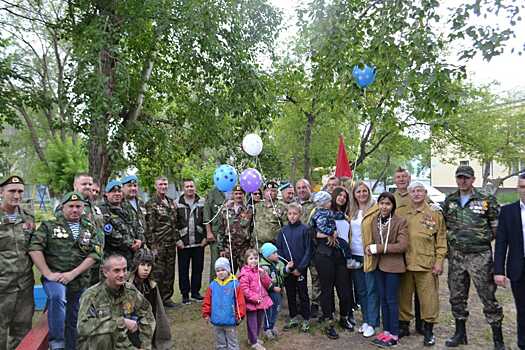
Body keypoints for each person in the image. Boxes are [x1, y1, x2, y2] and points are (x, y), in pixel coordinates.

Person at [29, 192, 103, 350]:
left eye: (78, 206)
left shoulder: (89, 228)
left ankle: (71, 346)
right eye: (71, 206)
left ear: (83, 208)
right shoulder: (49, 226)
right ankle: (57, 343)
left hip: (79, 280)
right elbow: (34, 248)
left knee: (74, 318)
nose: (75, 210)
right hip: (55, 278)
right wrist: (47, 273)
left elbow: (95, 253)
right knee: (57, 297)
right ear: (62, 207)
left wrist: (73, 274)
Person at [442, 165, 504, 350]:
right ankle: (460, 334)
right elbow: (444, 225)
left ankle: (497, 339)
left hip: (480, 257)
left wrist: (481, 241)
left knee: (488, 296)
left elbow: (496, 228)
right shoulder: (450, 200)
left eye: (466, 178)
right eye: (459, 178)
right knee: (457, 296)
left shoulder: (486, 200)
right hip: (456, 256)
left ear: (473, 180)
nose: (462, 181)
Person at [397, 181, 447, 346]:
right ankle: (404, 326)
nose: (416, 194)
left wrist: (439, 261)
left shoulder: (434, 213)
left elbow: (441, 240)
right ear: (409, 194)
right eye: (413, 191)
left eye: (420, 191)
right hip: (405, 263)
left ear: (425, 193)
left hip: (426, 264)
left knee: (428, 299)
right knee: (404, 297)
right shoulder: (403, 213)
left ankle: (428, 330)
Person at [77, 254, 155, 349]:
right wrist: (120, 322)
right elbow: (83, 327)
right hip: (100, 345)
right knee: (103, 336)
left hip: (125, 343)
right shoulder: (91, 295)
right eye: (117, 270)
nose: (122, 275)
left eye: (124, 269)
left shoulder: (130, 291)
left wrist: (145, 345)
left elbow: (147, 316)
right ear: (106, 272)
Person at [364, 191, 408, 348]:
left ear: (393, 205)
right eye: (382, 203)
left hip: (393, 267)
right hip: (378, 266)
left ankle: (395, 334)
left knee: (391, 300)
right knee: (382, 299)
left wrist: (379, 248)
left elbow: (402, 246)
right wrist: (369, 248)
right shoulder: (374, 221)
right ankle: (386, 331)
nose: (384, 206)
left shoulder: (399, 221)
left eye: (388, 203)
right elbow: (372, 241)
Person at [310, 190, 353, 339]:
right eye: (338, 196)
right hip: (324, 255)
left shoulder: (334, 213)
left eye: (344, 197)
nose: (341, 198)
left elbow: (340, 218)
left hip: (340, 255)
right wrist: (327, 233)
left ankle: (344, 317)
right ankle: (328, 322)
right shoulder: (318, 213)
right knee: (327, 290)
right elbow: (310, 230)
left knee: (344, 289)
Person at [0, 175, 35, 350]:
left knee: (22, 332)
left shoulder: (28, 217)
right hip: (2, 286)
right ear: (1, 192)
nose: (16, 195)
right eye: (12, 191)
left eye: (20, 191)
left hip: (24, 286)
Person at [494, 173, 525, 350]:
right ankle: (522, 343)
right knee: (522, 309)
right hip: (518, 267)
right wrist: (499, 271)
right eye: (522, 187)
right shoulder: (508, 211)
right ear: (517, 189)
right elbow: (500, 243)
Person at [348, 181, 379, 338]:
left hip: (369, 254)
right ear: (354, 194)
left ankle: (373, 322)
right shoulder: (352, 211)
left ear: (369, 192)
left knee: (371, 289)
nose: (361, 194)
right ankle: (366, 320)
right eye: (358, 191)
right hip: (354, 255)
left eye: (364, 191)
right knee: (360, 291)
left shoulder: (376, 209)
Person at [276, 202, 311, 333]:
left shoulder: (305, 229)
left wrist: (300, 268)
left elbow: (308, 250)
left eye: (295, 214)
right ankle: (293, 316)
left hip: (300, 269)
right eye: (290, 214)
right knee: (290, 293)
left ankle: (306, 318)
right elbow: (279, 249)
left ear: (300, 215)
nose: (292, 216)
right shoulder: (283, 231)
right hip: (288, 269)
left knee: (303, 293)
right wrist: (287, 266)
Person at [146, 176, 180, 308]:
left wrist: (177, 239)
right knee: (157, 273)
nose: (163, 187)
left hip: (171, 243)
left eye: (165, 184)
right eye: (160, 184)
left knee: (169, 272)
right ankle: (157, 300)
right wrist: (152, 246)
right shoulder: (151, 203)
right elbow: (149, 227)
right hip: (158, 244)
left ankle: (167, 298)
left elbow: (174, 223)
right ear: (156, 186)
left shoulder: (171, 202)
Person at [129, 248, 172, 350]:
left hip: (148, 325)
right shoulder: (128, 285)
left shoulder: (151, 286)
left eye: (149, 265)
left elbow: (159, 313)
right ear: (136, 265)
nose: (146, 269)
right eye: (142, 265)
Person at [202, 257, 246, 350]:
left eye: (223, 270)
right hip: (216, 320)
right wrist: (206, 313)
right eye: (218, 271)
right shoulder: (212, 285)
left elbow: (240, 302)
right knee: (220, 343)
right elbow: (207, 301)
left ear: (228, 270)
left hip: (230, 319)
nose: (220, 272)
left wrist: (240, 315)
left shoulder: (234, 284)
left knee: (232, 342)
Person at [175, 178, 206, 304]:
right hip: (183, 243)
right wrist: (177, 239)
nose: (190, 188)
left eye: (191, 186)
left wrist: (205, 237)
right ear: (183, 188)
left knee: (198, 268)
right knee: (183, 269)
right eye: (187, 186)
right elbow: (173, 223)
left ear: (195, 187)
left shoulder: (202, 202)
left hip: (199, 241)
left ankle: (195, 292)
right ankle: (185, 294)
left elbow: (206, 220)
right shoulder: (177, 203)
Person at [238, 249, 273, 350]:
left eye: (256, 258)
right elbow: (245, 290)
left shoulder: (260, 271)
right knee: (252, 323)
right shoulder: (245, 273)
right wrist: (255, 298)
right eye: (251, 258)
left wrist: (264, 275)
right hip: (251, 303)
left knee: (259, 321)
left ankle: (254, 338)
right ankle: (253, 342)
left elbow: (267, 284)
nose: (254, 261)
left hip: (261, 301)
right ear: (246, 260)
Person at [295, 178, 320, 318]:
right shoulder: (292, 205)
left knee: (316, 275)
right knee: (300, 275)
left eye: (304, 187)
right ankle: (301, 302)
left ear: (309, 188)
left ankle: (315, 303)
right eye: (299, 188)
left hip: (314, 246)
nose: (301, 190)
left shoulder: (316, 204)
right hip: (299, 247)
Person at [100, 179, 139, 264]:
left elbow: (137, 226)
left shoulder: (127, 208)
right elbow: (111, 235)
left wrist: (140, 241)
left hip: (132, 256)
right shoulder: (102, 211)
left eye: (119, 191)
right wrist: (131, 243)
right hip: (114, 258)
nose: (117, 194)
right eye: (113, 192)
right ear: (106, 194)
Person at [259, 243, 292, 339]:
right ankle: (266, 328)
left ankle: (272, 325)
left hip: (278, 292)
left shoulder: (279, 263)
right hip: (269, 292)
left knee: (276, 309)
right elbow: (264, 281)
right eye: (274, 253)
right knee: (269, 310)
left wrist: (287, 268)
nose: (277, 254)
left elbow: (282, 273)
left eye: (277, 252)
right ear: (267, 255)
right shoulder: (264, 267)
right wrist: (273, 287)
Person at [219, 185, 253, 273]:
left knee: (245, 275)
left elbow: (252, 229)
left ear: (244, 195)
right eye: (236, 193)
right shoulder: (225, 210)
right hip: (229, 248)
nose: (238, 196)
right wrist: (221, 248)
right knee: (228, 275)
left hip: (244, 248)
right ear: (232, 195)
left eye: (240, 193)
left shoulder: (249, 210)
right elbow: (221, 229)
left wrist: (252, 248)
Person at [204, 185, 228, 280]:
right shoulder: (212, 193)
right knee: (217, 262)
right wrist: (209, 232)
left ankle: (229, 287)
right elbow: (207, 214)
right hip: (216, 233)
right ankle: (215, 288)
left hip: (233, 234)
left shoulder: (234, 191)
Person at [121, 175, 147, 249]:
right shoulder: (120, 203)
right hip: (129, 246)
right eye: (129, 186)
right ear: (122, 188)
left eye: (135, 186)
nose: (133, 188)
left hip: (142, 244)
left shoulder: (140, 202)